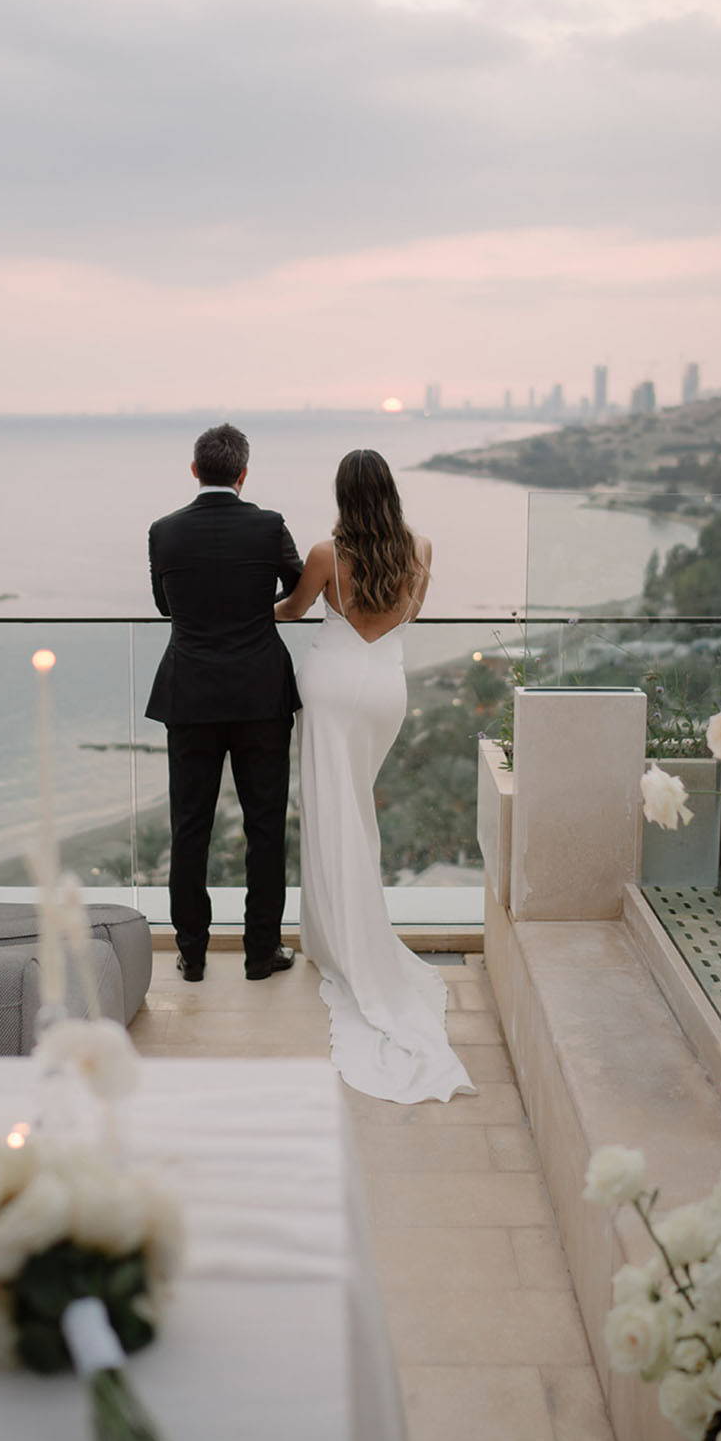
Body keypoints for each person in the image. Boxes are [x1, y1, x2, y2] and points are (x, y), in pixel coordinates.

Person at [275, 448, 475, 1103]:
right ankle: (346, 937)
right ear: (388, 491)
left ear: (343, 493)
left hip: (331, 685)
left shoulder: (326, 555)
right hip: (383, 689)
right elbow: (407, 615)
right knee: (353, 811)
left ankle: (341, 943)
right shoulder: (419, 549)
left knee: (330, 813)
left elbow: (290, 611)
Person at [146, 423, 304, 982]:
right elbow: (298, 590)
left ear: (195, 470)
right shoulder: (268, 526)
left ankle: (192, 953)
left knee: (190, 827)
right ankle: (261, 951)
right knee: (265, 826)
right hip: (260, 693)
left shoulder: (164, 532)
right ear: (243, 474)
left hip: (189, 694)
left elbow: (166, 607)